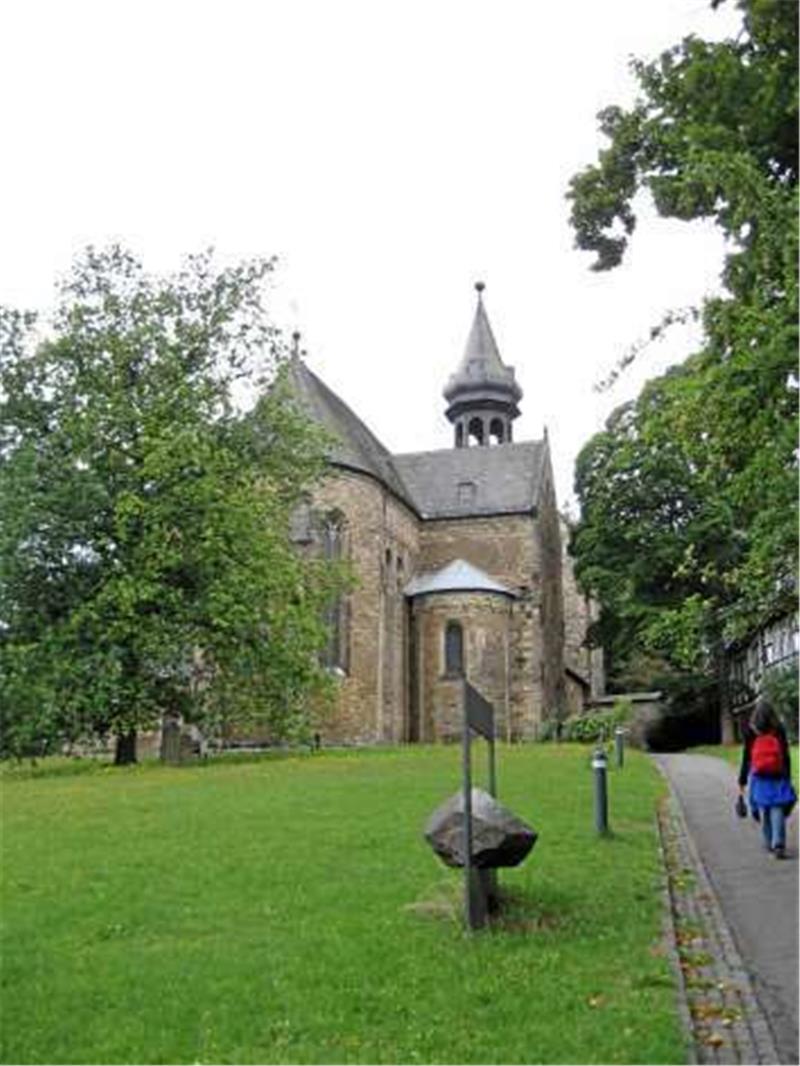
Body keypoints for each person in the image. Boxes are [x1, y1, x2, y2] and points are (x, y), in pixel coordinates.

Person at [738, 697, 796, 859]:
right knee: (777, 805)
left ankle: (769, 842)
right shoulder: (779, 729)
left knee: (764, 806)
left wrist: (742, 779)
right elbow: (785, 755)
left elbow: (747, 757)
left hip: (759, 774)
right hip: (778, 773)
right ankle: (779, 844)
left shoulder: (751, 730)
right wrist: (788, 776)